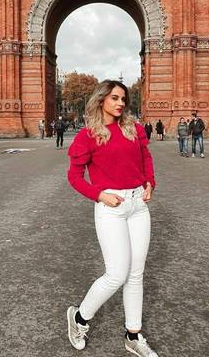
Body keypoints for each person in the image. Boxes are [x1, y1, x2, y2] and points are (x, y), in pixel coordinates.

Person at [66, 80, 158, 357]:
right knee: (116, 273)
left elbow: (146, 158)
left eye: (123, 99)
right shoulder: (87, 136)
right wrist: (99, 195)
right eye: (114, 98)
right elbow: (73, 176)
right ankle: (79, 318)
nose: (120, 103)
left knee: (135, 274)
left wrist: (150, 182)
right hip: (111, 207)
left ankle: (133, 335)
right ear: (101, 100)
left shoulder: (134, 129)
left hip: (138, 206)